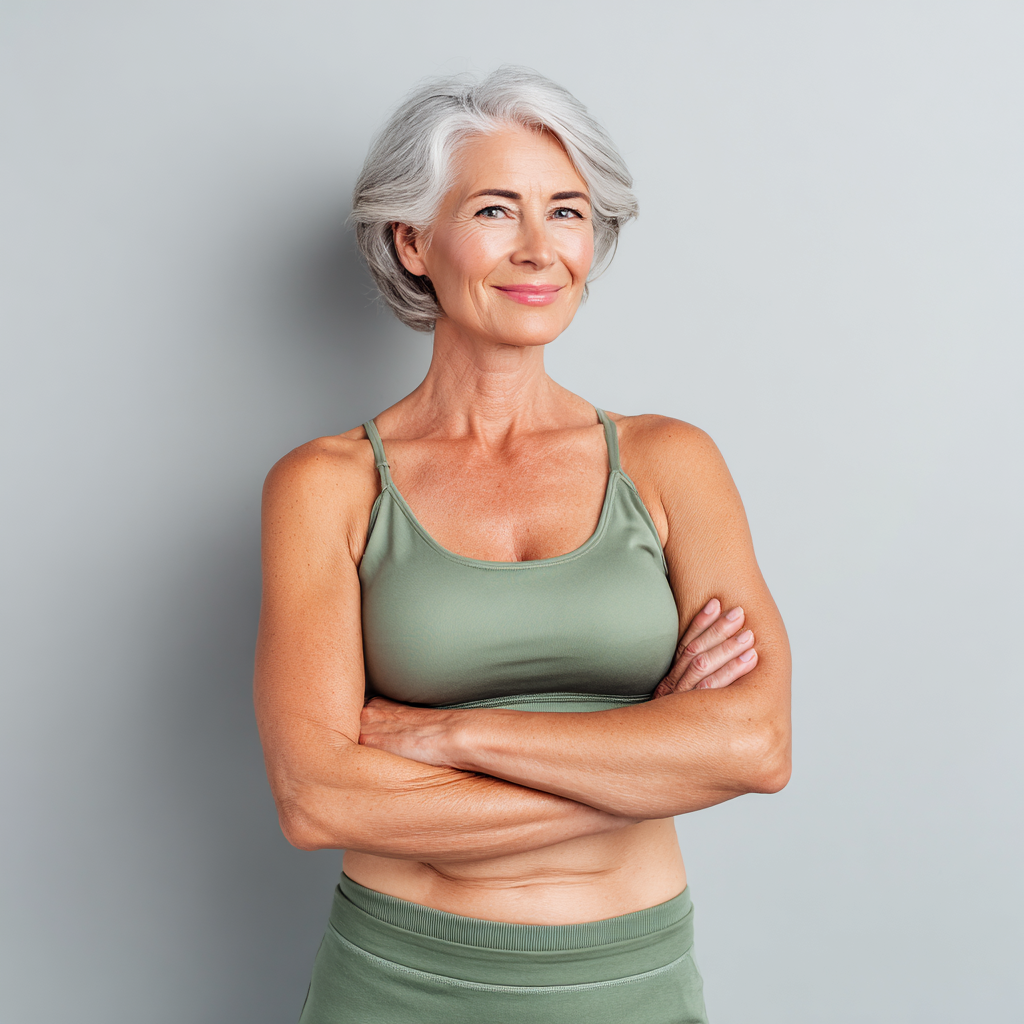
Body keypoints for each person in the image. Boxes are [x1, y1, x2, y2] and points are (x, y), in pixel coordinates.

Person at [254, 66, 791, 1024]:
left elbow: (755, 743)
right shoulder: (327, 485)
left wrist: (454, 732)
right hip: (396, 977)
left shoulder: (671, 462)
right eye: (497, 210)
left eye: (569, 212)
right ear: (414, 241)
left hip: (626, 979)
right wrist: (647, 760)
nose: (541, 251)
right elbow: (319, 799)